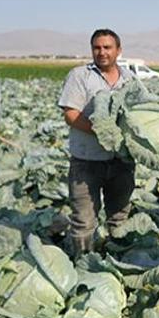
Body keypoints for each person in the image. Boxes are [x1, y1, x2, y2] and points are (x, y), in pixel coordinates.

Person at [58, 28, 136, 257]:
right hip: (87, 161)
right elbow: (71, 114)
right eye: (97, 48)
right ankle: (83, 264)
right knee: (83, 221)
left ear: (118, 50)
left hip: (122, 162)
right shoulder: (79, 75)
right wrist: (103, 132)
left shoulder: (130, 79)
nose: (102, 52)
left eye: (107, 47)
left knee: (120, 217)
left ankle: (118, 259)